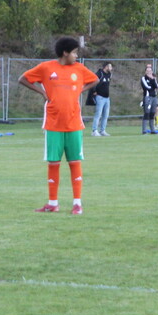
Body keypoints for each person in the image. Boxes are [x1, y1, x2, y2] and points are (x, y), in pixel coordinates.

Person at [18, 37, 98, 215]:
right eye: (74, 52)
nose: (76, 56)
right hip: (53, 123)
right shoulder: (46, 68)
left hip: (74, 123)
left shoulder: (79, 69)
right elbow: (23, 79)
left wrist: (81, 89)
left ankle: (77, 204)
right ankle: (53, 203)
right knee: (53, 163)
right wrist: (42, 92)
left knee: (74, 162)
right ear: (65, 53)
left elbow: (95, 80)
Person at [141, 63, 158, 134]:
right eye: (147, 71)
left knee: (152, 113)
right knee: (147, 113)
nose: (149, 72)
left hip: (154, 97)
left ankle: (152, 130)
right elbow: (147, 87)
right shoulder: (143, 78)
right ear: (145, 72)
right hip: (148, 97)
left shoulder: (154, 78)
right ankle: (144, 130)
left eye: (150, 71)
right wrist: (152, 84)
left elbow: (157, 86)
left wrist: (153, 80)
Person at [91, 62, 113, 137]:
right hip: (100, 97)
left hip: (107, 98)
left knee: (105, 115)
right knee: (98, 114)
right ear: (106, 67)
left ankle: (102, 130)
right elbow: (93, 81)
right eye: (110, 66)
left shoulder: (109, 74)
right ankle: (94, 130)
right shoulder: (99, 73)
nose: (111, 68)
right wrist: (94, 91)